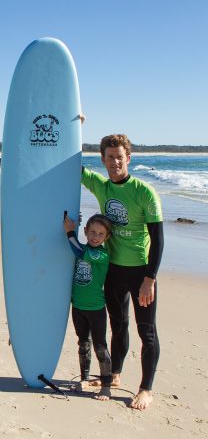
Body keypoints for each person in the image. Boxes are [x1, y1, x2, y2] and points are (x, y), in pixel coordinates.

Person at [81, 134, 164, 410]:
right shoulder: (102, 187)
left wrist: (149, 279)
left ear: (129, 158)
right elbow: (71, 165)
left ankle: (145, 389)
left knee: (147, 332)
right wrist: (75, 123)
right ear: (102, 159)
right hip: (113, 271)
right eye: (110, 157)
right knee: (118, 325)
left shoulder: (144, 192)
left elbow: (158, 239)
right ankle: (114, 374)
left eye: (120, 157)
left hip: (141, 272)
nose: (115, 162)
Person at [63, 213, 113, 401]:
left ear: (106, 238)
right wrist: (74, 223)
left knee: (100, 346)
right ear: (85, 231)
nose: (95, 237)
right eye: (92, 232)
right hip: (78, 307)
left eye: (100, 234)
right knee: (83, 343)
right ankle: (84, 378)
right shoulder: (82, 246)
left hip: (96, 308)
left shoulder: (101, 254)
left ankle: (106, 385)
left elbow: (78, 251)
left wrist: (69, 232)